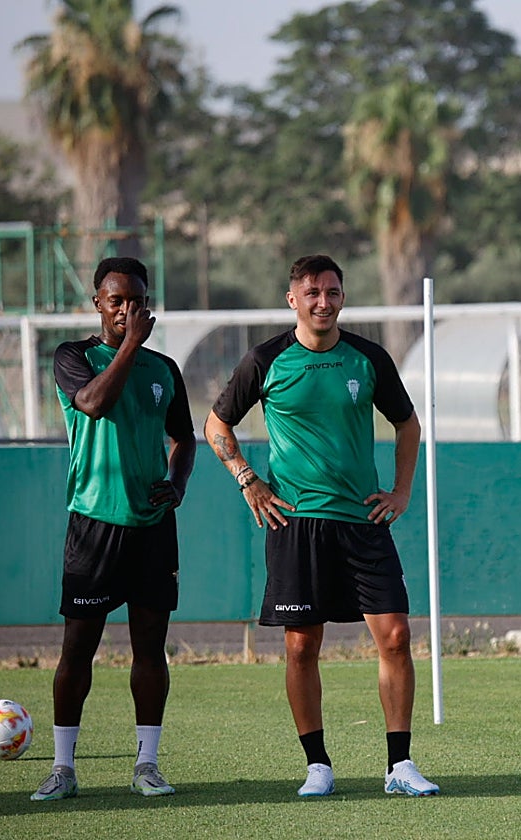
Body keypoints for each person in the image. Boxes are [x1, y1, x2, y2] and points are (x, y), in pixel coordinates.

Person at [203, 254, 438, 799]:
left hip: (362, 521)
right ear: (293, 300)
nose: (323, 302)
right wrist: (247, 479)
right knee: (302, 646)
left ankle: (399, 765)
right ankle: (317, 766)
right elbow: (216, 424)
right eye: (312, 293)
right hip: (296, 523)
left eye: (332, 292)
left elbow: (407, 424)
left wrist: (402, 491)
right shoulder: (265, 360)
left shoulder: (368, 358)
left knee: (396, 636)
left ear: (343, 297)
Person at [32, 257, 196, 801]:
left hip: (152, 529)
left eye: (137, 301)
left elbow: (184, 437)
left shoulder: (164, 369)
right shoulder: (74, 357)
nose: (127, 310)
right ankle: (63, 768)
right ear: (98, 303)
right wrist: (129, 346)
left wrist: (177, 482)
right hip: (94, 525)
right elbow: (94, 404)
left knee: (150, 650)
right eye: (117, 300)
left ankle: (147, 765)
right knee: (77, 650)